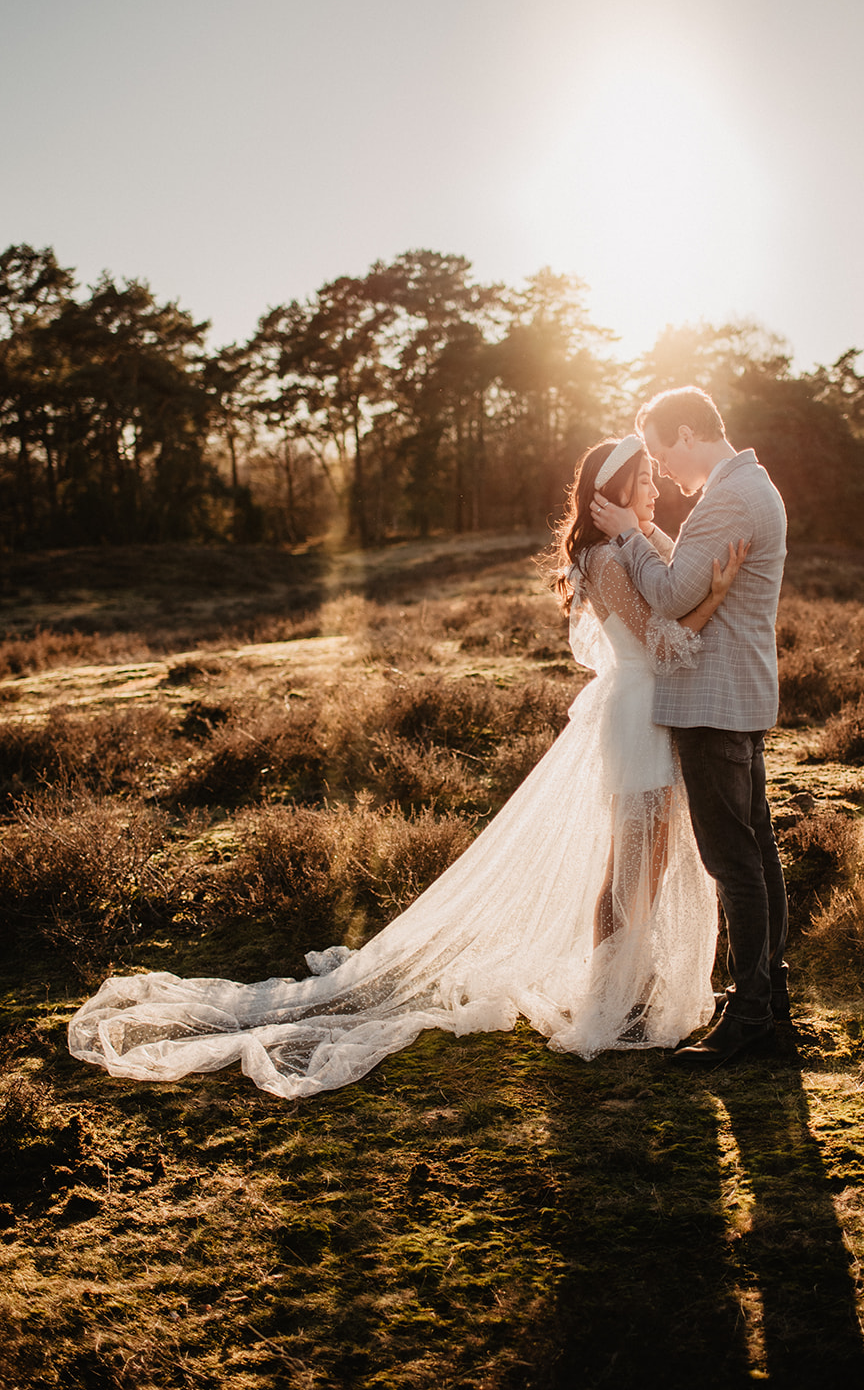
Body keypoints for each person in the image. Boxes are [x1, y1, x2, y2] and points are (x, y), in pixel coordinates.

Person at [68, 436, 746, 1100]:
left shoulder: (628, 543)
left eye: (659, 478)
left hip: (648, 713)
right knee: (628, 862)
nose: (657, 488)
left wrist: (662, 547)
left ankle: (631, 986)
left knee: (650, 860)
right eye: (647, 478)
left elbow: (664, 591)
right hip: (636, 715)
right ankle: (607, 1002)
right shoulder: (604, 558)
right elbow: (659, 645)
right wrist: (715, 596)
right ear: (620, 486)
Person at [591, 386, 788, 1070]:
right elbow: (678, 585)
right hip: (729, 697)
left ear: (684, 432)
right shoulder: (747, 484)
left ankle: (753, 1015)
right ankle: (766, 1004)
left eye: (662, 455)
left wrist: (628, 533)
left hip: (713, 700)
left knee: (736, 863)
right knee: (753, 855)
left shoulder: (730, 494)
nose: (664, 475)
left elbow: (672, 594)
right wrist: (640, 538)